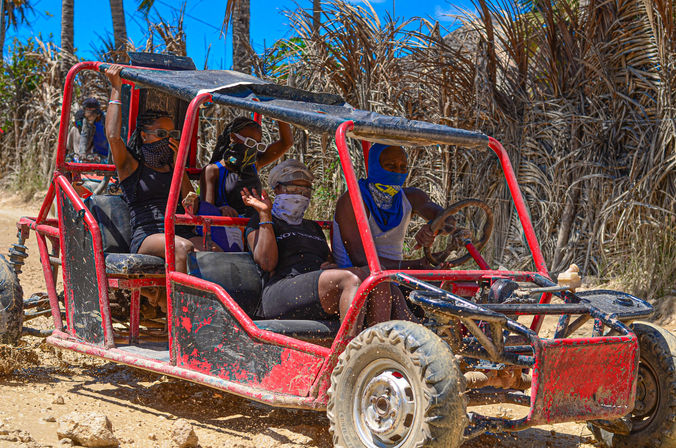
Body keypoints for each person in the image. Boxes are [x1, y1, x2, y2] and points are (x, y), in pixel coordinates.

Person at [242, 159, 390, 332]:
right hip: (280, 289)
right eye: (293, 189)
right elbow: (267, 263)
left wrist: (331, 265)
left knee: (378, 278)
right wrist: (265, 215)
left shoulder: (312, 227)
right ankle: (350, 350)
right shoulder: (263, 222)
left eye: (305, 191)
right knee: (352, 279)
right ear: (277, 190)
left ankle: (378, 343)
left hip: (315, 285)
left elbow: (328, 258)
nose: (299, 195)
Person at [104, 64, 205, 311]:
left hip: (176, 229)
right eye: (161, 133)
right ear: (145, 135)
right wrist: (116, 89)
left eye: (173, 134)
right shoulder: (130, 166)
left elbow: (190, 202)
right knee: (181, 247)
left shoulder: (174, 167)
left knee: (217, 250)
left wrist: (178, 162)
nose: (168, 138)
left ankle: (201, 310)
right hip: (148, 235)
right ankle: (181, 318)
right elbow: (114, 137)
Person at [333, 144, 459, 321]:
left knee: (452, 289)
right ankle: (413, 333)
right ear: (375, 166)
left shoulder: (410, 197)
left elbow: (448, 221)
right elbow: (361, 259)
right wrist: (415, 266)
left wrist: (433, 227)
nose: (397, 173)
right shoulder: (353, 200)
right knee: (389, 286)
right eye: (390, 166)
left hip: (396, 277)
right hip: (360, 278)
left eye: (403, 168)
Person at [190, 116, 292, 251]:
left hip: (255, 224)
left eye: (258, 145)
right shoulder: (213, 171)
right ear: (233, 137)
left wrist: (279, 113)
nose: (253, 149)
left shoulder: (255, 164)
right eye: (250, 142)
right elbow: (208, 209)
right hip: (229, 228)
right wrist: (221, 209)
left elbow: (286, 143)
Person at [77, 97, 110, 162]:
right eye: (87, 113)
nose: (88, 117)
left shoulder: (106, 119)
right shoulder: (86, 120)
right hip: (97, 154)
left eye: (91, 114)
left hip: (109, 154)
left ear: (97, 113)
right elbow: (84, 136)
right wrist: (82, 153)